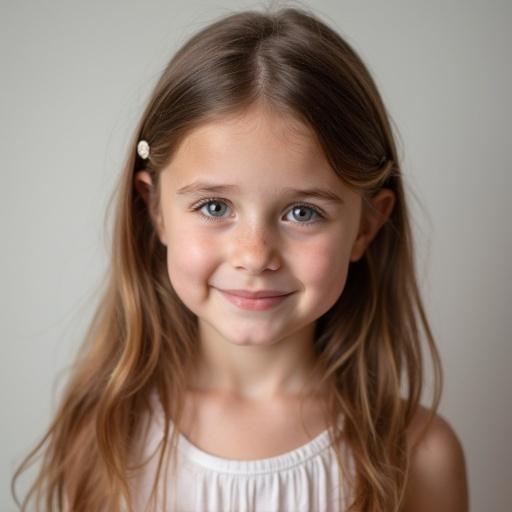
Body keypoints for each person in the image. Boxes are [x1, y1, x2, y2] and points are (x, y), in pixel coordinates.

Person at [11, 5, 469, 512]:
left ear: (365, 226)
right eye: (214, 207)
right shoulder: (104, 438)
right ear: (155, 210)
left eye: (302, 212)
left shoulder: (418, 455)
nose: (255, 256)